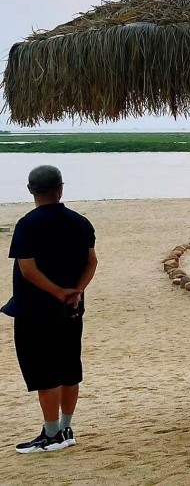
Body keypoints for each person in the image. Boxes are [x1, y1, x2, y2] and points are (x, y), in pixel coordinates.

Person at [4, 166, 97, 453]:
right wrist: (76, 291)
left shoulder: (28, 224)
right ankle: (66, 427)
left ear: (31, 190)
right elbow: (91, 261)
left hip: (36, 309)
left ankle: (52, 433)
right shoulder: (79, 222)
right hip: (71, 307)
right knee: (69, 365)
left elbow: (28, 269)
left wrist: (58, 292)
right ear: (61, 188)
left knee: (45, 370)